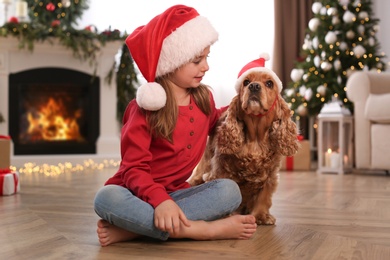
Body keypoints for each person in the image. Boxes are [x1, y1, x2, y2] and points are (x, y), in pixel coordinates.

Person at [94, 4, 257, 247]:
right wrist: (160, 202)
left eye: (206, 58)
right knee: (105, 198)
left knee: (229, 191)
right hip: (136, 193)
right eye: (196, 60)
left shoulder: (203, 99)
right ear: (171, 62)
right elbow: (133, 169)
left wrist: (242, 106)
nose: (206, 66)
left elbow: (216, 121)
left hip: (177, 194)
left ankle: (135, 230)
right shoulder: (144, 110)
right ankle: (202, 230)